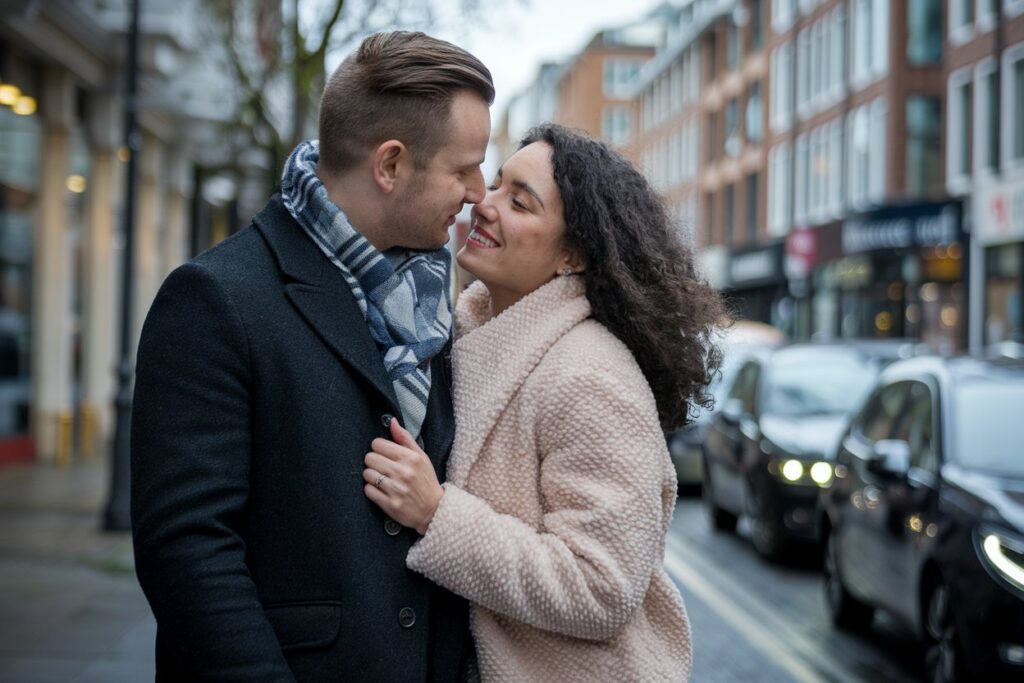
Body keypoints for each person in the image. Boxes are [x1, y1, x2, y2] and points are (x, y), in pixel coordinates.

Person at [130, 32, 493, 682]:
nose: (477, 190)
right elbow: (188, 552)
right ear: (390, 164)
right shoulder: (216, 298)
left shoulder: (433, 307)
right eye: (462, 168)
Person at [363, 123, 725, 682]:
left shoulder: (590, 377)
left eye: (520, 202)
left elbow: (601, 587)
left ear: (573, 255)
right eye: (497, 184)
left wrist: (437, 514)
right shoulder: (468, 330)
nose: (484, 204)